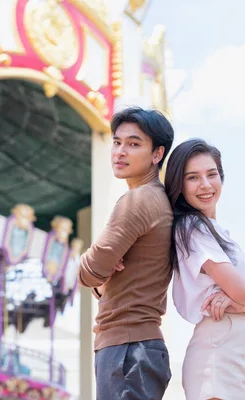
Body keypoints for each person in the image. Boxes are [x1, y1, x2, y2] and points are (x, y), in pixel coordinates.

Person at [164, 138, 245, 400]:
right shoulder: (191, 227)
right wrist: (241, 294)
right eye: (192, 177)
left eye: (211, 174)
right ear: (179, 185)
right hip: (218, 344)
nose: (205, 184)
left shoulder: (224, 237)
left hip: (244, 344)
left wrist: (232, 299)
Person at [78, 107, 175, 400]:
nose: (120, 151)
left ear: (157, 154)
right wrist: (102, 276)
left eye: (134, 144)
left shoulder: (137, 200)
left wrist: (94, 269)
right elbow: (98, 276)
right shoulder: (158, 199)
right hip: (136, 349)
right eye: (117, 142)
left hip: (128, 349)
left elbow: (87, 271)